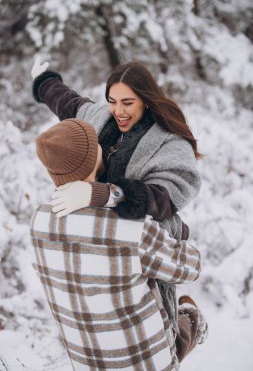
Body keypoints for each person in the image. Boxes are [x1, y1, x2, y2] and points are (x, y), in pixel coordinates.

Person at [31, 57, 202, 338]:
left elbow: (161, 199)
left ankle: (185, 331)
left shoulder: (169, 143)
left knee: (151, 322)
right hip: (100, 238)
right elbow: (69, 104)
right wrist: (44, 81)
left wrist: (99, 193)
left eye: (127, 102)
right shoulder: (102, 119)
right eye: (112, 100)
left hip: (143, 243)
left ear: (146, 99)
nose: (118, 110)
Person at [31, 118, 205, 370]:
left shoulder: (39, 221)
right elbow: (190, 267)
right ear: (93, 159)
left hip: (85, 362)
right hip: (145, 362)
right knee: (187, 316)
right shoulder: (129, 230)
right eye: (97, 145)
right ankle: (193, 321)